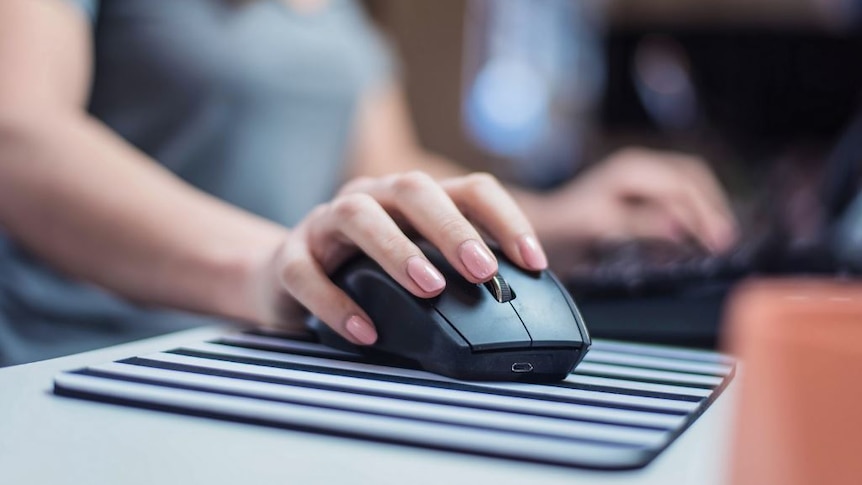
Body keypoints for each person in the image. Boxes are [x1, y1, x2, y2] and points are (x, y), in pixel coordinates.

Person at [0, 0, 737, 366]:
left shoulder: (343, 16)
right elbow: (19, 131)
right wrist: (268, 264)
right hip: (87, 355)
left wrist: (559, 217)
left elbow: (383, 177)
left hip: (268, 350)